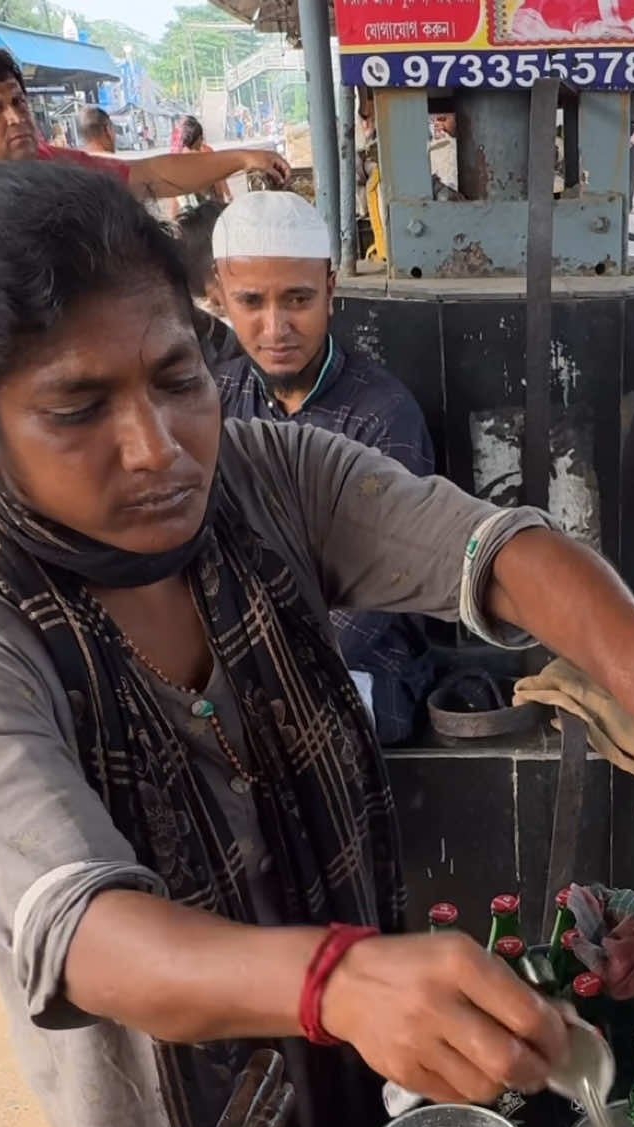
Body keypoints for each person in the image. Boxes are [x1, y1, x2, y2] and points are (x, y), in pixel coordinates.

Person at [0, 162, 634, 1127]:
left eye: (175, 379)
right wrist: (335, 978)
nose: (156, 448)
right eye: (77, 410)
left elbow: (496, 548)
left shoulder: (268, 474)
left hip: (356, 1060)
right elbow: (83, 931)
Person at [206, 192, 439, 744]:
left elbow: (382, 593)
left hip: (363, 666)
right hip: (242, 663)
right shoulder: (213, 399)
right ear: (220, 297)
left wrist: (266, 680)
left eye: (297, 299)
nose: (275, 327)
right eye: (250, 302)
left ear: (331, 289)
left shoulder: (383, 414)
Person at [0, 43, 285, 267]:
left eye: (18, 101)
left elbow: (147, 175)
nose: (16, 118)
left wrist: (244, 158)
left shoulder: (58, 167)